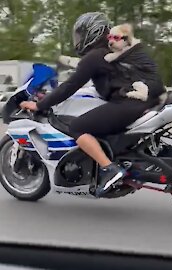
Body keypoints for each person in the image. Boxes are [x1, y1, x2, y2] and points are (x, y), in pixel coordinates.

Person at [20, 12, 164, 197]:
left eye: (80, 35)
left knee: (78, 127)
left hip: (129, 103)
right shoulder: (112, 52)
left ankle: (110, 169)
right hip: (146, 99)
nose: (78, 40)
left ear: (92, 33)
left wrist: (40, 105)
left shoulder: (95, 56)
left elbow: (71, 85)